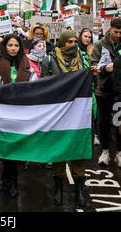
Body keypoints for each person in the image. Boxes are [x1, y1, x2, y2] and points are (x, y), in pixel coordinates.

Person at [0, 14, 30, 197]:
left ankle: (13, 182)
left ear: (20, 48)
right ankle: (6, 179)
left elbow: (34, 86)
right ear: (5, 46)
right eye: (10, 45)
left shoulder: (28, 64)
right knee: (4, 147)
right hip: (1, 110)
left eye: (16, 45)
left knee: (15, 148)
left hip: (19, 112)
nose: (12, 48)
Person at [41, 30, 86, 207]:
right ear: (62, 43)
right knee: (59, 149)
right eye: (69, 42)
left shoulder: (81, 58)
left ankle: (79, 189)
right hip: (58, 112)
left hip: (78, 112)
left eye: (75, 41)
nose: (73, 44)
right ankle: (58, 187)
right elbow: (44, 85)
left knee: (78, 148)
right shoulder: (50, 60)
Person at [91, 18, 121, 167]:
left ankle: (119, 153)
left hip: (119, 91)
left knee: (119, 121)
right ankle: (105, 151)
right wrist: (104, 68)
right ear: (110, 29)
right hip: (103, 89)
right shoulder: (99, 45)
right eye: (116, 32)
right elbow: (92, 66)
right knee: (103, 122)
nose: (119, 35)